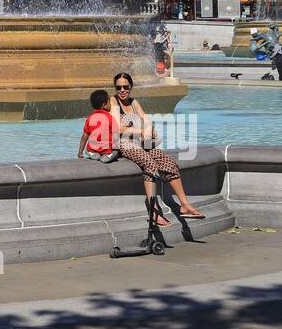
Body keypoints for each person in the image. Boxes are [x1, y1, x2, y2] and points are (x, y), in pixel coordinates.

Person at [111, 72, 205, 225]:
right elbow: (117, 128)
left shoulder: (134, 103)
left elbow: (147, 121)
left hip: (140, 143)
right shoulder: (113, 102)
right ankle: (154, 211)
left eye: (125, 87)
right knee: (150, 164)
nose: (122, 90)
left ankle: (184, 205)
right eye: (119, 87)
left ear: (131, 87)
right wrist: (141, 130)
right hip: (124, 144)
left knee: (169, 162)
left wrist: (149, 130)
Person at [77, 89, 116, 160]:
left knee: (92, 149)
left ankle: (90, 152)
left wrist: (80, 152)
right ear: (104, 105)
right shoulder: (110, 118)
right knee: (115, 152)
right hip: (106, 150)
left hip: (93, 149)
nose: (110, 104)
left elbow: (84, 136)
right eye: (109, 102)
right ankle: (107, 156)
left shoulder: (90, 118)